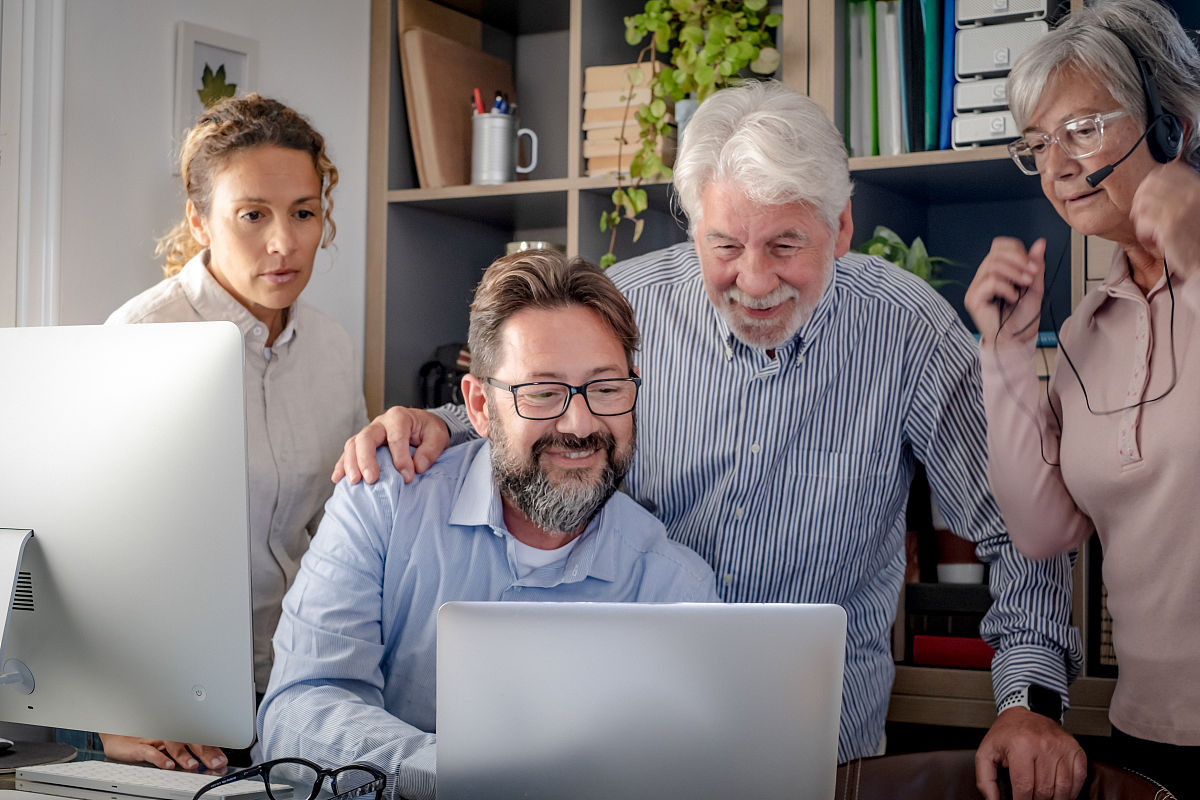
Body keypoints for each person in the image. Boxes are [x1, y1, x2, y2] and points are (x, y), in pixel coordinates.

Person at [336, 81, 1084, 799]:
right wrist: (436, 421)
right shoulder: (625, 308)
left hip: (817, 756)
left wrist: (1029, 701)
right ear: (692, 225)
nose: (754, 281)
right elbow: (537, 408)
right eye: (724, 244)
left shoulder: (906, 331)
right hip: (625, 748)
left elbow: (1016, 528)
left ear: (843, 227)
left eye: (786, 244)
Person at [257, 250, 719, 799]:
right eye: (543, 392)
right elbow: (296, 709)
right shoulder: (382, 503)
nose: (580, 424)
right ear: (478, 405)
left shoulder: (676, 590)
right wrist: (443, 770)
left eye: (606, 388)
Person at [963, 1, 1200, 796]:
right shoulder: (1087, 330)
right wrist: (1004, 355)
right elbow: (1043, 530)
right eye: (1037, 144)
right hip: (1147, 732)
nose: (1058, 163)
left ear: (1172, 129)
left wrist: (1194, 256)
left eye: (1083, 129)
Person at [101, 94, 368, 771]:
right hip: (165, 709)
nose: (284, 242)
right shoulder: (140, 339)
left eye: (304, 213)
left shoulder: (332, 348)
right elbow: (84, 554)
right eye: (253, 215)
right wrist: (108, 713)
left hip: (296, 688)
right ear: (199, 221)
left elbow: (341, 528)